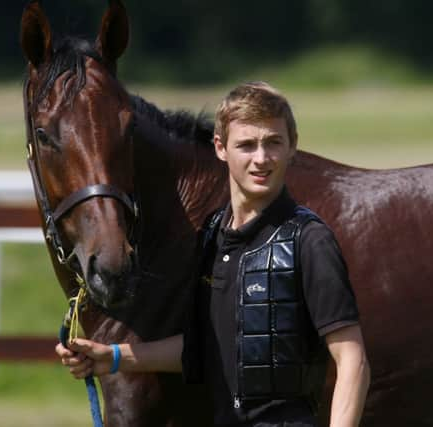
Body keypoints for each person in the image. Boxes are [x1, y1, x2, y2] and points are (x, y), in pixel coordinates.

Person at [56, 81, 370, 427]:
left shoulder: (310, 241)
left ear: (292, 146)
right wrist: (114, 357)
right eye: (247, 145)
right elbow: (208, 344)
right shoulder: (212, 236)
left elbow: (352, 360)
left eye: (274, 143)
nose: (261, 159)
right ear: (220, 148)